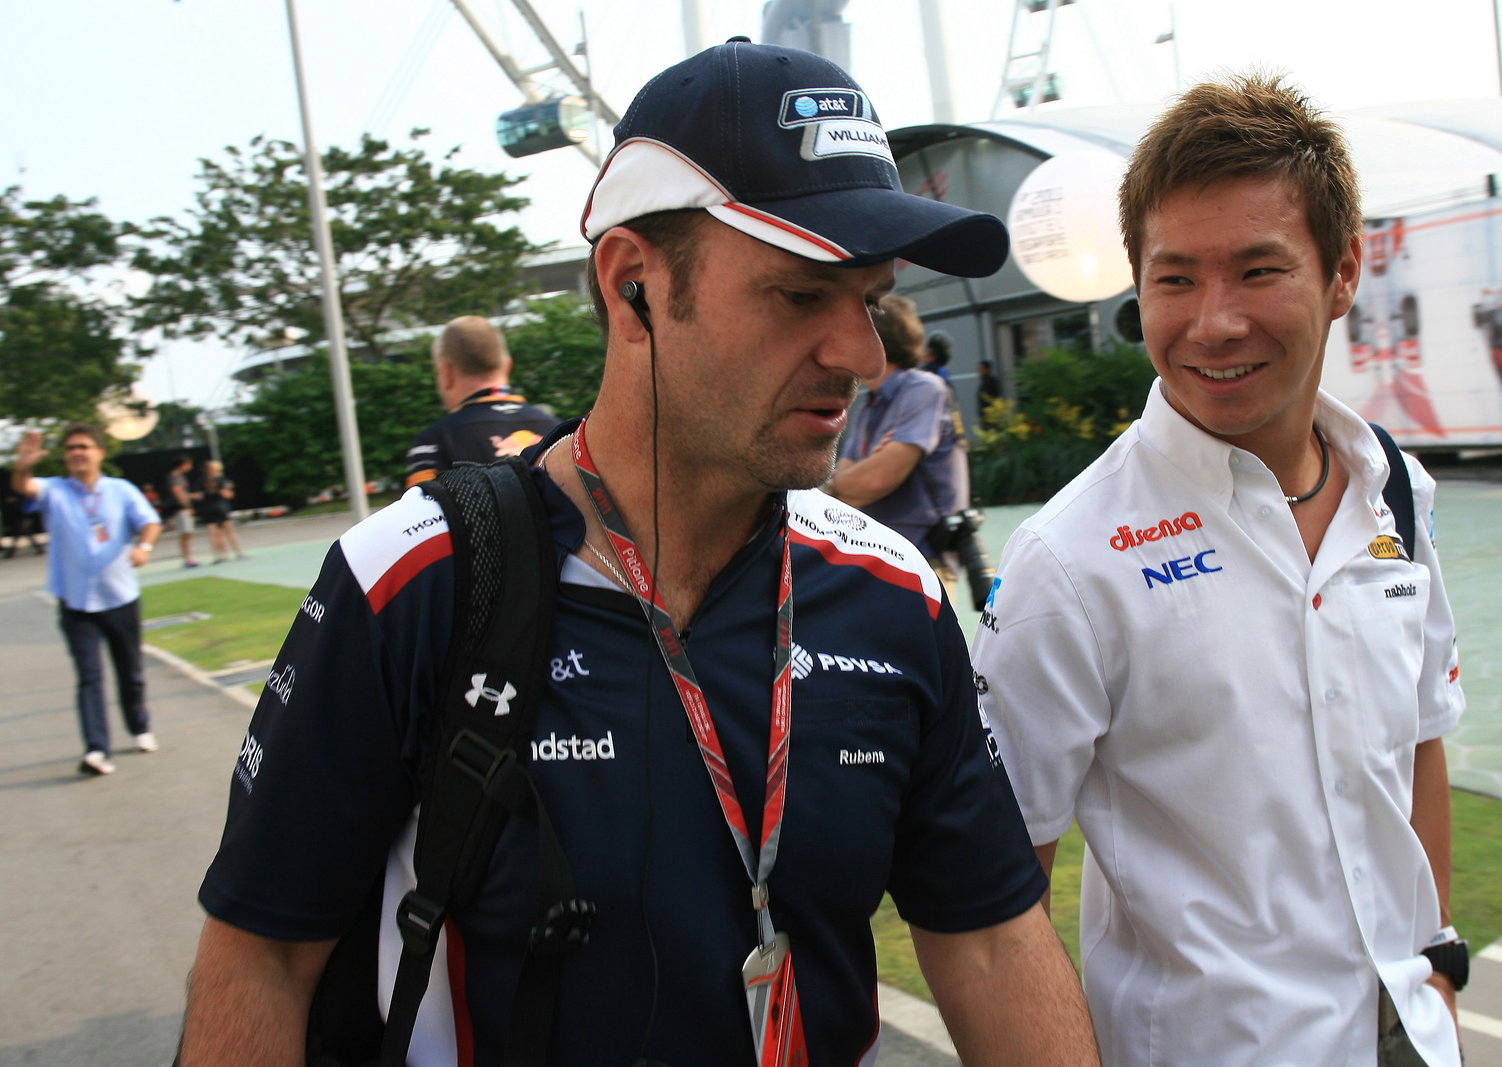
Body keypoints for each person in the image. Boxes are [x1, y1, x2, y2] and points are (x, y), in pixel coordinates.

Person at [178, 39, 1099, 1067]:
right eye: (803, 294)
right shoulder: (415, 582)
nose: (860, 353)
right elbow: (262, 959)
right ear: (633, 289)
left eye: (870, 296)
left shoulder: (892, 597)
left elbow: (987, 934)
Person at [971, 73, 1467, 1065]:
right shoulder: (1067, 562)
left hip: (1408, 1034)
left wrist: (1438, 966)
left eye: (1256, 269)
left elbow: (1417, 743)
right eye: (1175, 277)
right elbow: (995, 888)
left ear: (1339, 272)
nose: (1212, 321)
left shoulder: (1394, 493)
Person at [11, 425, 162, 775]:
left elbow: (150, 522)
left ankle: (140, 726)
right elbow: (24, 486)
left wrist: (144, 547)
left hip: (120, 596)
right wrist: (22, 465)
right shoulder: (55, 490)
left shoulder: (120, 490)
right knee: (89, 677)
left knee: (131, 672)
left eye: (83, 446)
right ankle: (96, 749)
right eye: (69, 448)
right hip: (76, 602)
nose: (76, 453)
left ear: (99, 452)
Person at [830, 295, 986, 605]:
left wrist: (839, 484)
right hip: (875, 559)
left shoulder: (922, 389)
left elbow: (875, 481)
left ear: (876, 339)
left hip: (922, 562)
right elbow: (852, 488)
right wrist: (855, 479)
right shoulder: (870, 404)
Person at [402, 315, 560, 489]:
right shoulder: (558, 431)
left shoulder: (433, 443)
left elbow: (423, 514)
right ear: (508, 366)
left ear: (446, 373)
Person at [196, 460, 245, 563]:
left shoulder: (201, 481)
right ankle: (238, 552)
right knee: (229, 531)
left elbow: (198, 496)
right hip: (221, 506)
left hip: (207, 507)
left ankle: (219, 556)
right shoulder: (223, 480)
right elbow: (227, 494)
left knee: (213, 533)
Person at [166, 455, 200, 568]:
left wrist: (191, 497)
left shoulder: (180, 477)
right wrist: (187, 506)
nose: (190, 467)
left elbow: (183, 493)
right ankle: (187, 559)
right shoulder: (174, 477)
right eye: (188, 464)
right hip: (180, 510)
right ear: (183, 464)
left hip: (184, 509)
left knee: (188, 533)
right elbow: (177, 493)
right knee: (185, 533)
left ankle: (188, 558)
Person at [976, 358, 1003, 429]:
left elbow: (994, 398)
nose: (979, 371)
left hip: (990, 416)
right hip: (986, 416)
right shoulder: (984, 382)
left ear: (986, 369)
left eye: (980, 369)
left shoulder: (990, 382)